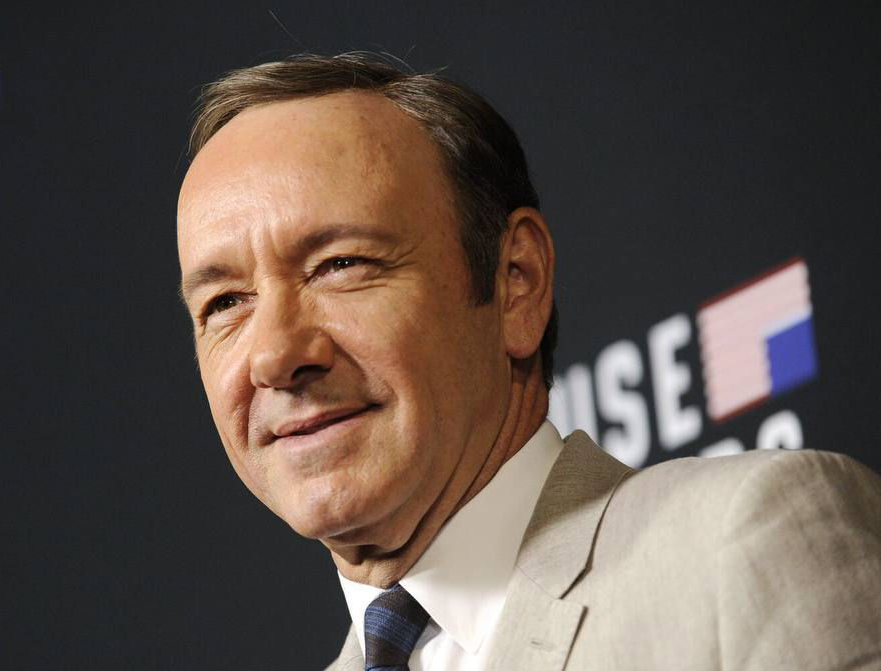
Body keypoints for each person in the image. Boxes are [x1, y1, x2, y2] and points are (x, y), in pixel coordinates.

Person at [175, 52, 881, 671]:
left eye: (341, 264)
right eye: (225, 302)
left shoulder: (741, 546)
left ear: (517, 281)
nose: (275, 355)